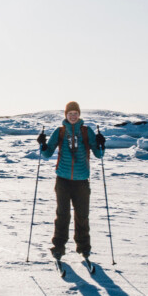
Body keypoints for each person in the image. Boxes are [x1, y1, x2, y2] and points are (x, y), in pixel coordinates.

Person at [37, 101, 106, 260]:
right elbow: (47, 154)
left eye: (75, 113)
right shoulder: (60, 132)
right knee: (63, 214)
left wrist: (102, 144)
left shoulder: (86, 131)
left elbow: (98, 154)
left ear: (79, 114)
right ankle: (58, 247)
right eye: (70, 113)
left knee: (82, 215)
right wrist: (42, 144)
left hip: (81, 180)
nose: (73, 116)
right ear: (66, 115)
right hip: (62, 180)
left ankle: (84, 247)